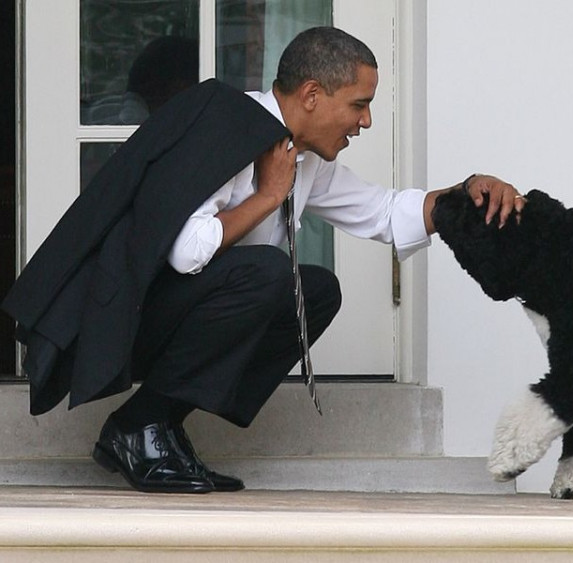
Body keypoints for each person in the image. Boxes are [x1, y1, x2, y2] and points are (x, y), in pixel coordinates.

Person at [2, 26, 524, 494]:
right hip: (118, 323)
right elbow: (185, 252)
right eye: (359, 104)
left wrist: (467, 192)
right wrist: (269, 196)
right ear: (313, 95)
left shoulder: (302, 156)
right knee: (269, 273)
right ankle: (139, 428)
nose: (365, 121)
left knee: (317, 291)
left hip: (174, 318)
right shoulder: (225, 124)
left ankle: (149, 421)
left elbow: (385, 212)